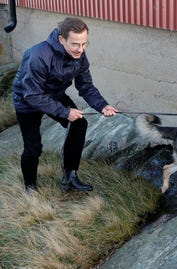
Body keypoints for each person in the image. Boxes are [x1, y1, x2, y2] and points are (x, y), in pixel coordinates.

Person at [13, 17, 118, 192]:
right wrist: (64, 111)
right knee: (33, 147)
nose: (81, 49)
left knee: (79, 123)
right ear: (61, 40)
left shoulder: (79, 56)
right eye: (75, 44)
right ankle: (30, 187)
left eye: (84, 44)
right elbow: (32, 95)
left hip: (54, 95)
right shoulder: (38, 55)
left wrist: (102, 106)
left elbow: (85, 86)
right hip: (27, 100)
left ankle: (70, 178)